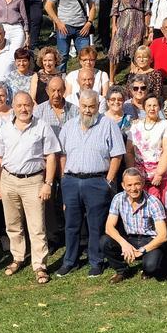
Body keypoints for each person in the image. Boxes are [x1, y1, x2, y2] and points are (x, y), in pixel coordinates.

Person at [57, 90, 127, 276]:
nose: (88, 110)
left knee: (96, 224)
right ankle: (70, 261)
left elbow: (117, 155)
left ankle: (96, 261)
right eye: (84, 106)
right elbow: (62, 155)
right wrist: (63, 178)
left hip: (97, 181)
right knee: (71, 224)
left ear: (98, 106)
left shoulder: (108, 125)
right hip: (71, 181)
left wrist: (108, 181)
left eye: (92, 106)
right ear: (79, 106)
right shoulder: (69, 126)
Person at [0, 91, 61, 284]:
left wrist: (48, 183)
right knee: (13, 224)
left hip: (33, 181)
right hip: (9, 180)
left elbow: (51, 156)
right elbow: (0, 157)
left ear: (32, 106)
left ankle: (40, 265)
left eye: (27, 105)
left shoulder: (42, 127)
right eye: (20, 105)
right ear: (13, 107)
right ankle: (18, 258)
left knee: (37, 226)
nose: (24, 109)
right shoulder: (5, 128)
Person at [104, 168, 167, 283]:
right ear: (123, 185)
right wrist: (124, 244)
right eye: (129, 185)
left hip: (149, 240)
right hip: (129, 238)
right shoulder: (118, 198)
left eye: (137, 184)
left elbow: (163, 235)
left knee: (151, 266)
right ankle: (121, 270)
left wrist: (142, 251)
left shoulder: (153, 202)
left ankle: (148, 268)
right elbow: (109, 227)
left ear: (143, 183)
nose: (133, 189)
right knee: (105, 241)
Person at [45, 0, 96, 64]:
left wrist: (89, 23)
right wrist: (58, 22)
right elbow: (48, 6)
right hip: (64, 27)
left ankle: (85, 79)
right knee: (62, 57)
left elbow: (92, 7)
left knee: (86, 58)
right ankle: (60, 79)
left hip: (82, 28)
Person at [109, 0, 151, 82]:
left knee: (135, 52)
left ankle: (134, 80)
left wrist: (147, 28)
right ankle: (111, 79)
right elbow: (115, 7)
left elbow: (147, 9)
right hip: (123, 20)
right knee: (114, 51)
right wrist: (114, 25)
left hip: (138, 21)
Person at [129, 94, 167, 200]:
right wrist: (131, 174)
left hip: (162, 175)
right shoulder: (136, 125)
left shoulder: (165, 125)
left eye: (155, 105)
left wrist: (159, 174)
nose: (152, 108)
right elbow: (129, 151)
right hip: (140, 177)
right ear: (144, 107)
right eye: (149, 105)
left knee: (162, 207)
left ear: (159, 107)